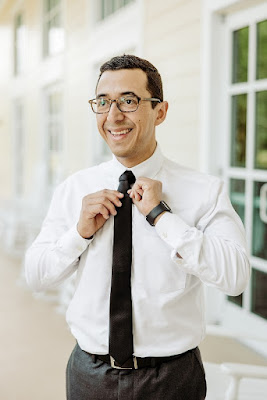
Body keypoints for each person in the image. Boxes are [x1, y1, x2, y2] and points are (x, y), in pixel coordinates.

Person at [25, 54, 250, 400]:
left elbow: (235, 276)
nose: (113, 116)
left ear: (160, 111)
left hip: (172, 380)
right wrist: (79, 234)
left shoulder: (204, 190)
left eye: (128, 101)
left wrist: (162, 217)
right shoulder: (74, 189)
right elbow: (36, 275)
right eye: (103, 102)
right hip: (89, 375)